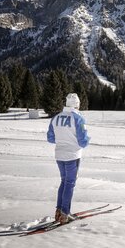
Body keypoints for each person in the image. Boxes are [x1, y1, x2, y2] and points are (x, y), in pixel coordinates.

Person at [47, 93, 90, 224]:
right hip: (72, 155)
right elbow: (83, 142)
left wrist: (63, 140)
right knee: (70, 183)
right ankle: (65, 214)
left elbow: (50, 138)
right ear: (77, 104)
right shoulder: (78, 118)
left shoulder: (56, 117)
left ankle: (58, 211)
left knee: (64, 181)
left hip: (59, 154)